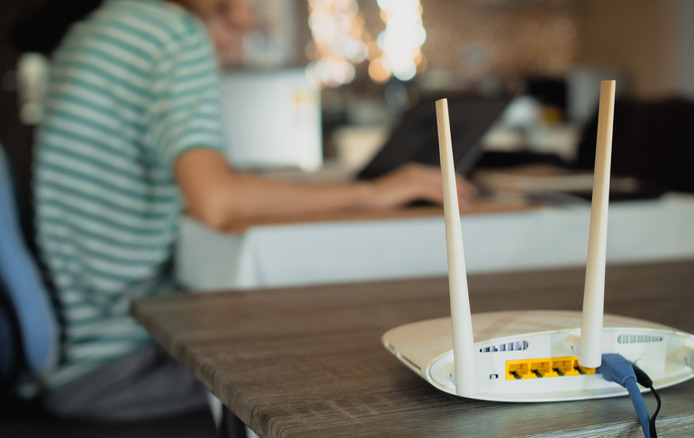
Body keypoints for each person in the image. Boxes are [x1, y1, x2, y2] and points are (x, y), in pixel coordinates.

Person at [32, 0, 475, 421]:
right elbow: (217, 201)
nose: (244, 36)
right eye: (242, 19)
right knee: (365, 364)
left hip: (79, 346)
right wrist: (372, 194)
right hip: (117, 362)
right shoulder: (173, 35)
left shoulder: (94, 29)